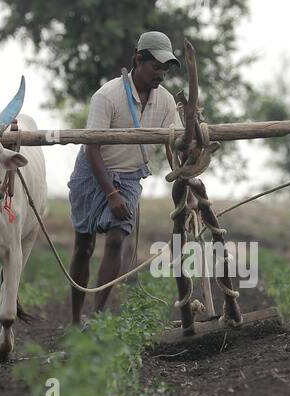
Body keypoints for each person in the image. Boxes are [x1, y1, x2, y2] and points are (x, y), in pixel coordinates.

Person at [67, 31, 191, 328]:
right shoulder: (106, 96)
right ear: (138, 60)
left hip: (131, 176)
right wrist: (110, 193)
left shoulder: (163, 102)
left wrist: (188, 169)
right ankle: (74, 321)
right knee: (83, 246)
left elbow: (176, 142)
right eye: (155, 67)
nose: (160, 74)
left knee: (115, 240)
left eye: (166, 69)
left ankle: (97, 318)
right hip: (92, 173)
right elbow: (92, 148)